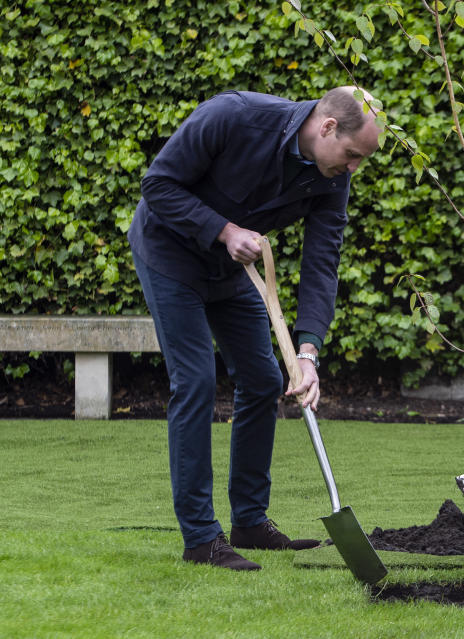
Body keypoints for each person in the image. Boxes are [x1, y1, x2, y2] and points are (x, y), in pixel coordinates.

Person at [128, 87, 382, 570]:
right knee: (196, 381)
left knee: (265, 379)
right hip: (170, 256)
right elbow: (157, 185)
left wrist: (308, 353)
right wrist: (224, 231)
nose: (353, 169)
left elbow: (321, 264)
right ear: (327, 127)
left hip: (233, 272)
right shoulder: (234, 117)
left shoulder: (332, 179)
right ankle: (201, 539)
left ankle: (248, 521)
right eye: (352, 155)